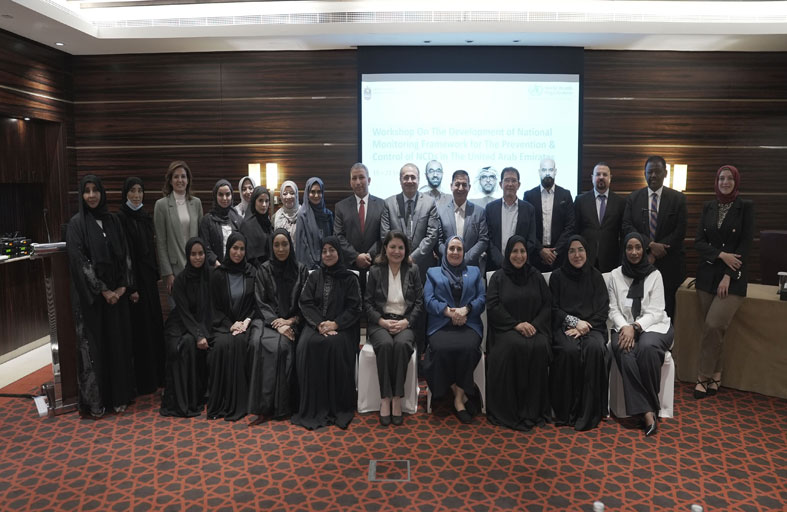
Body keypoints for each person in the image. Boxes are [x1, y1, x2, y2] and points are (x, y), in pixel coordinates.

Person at [67, 175, 136, 418]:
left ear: (102, 192)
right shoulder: (76, 224)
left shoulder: (113, 220)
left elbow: (125, 255)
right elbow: (80, 262)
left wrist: (122, 288)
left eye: (95, 190)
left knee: (117, 346)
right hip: (92, 300)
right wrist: (104, 290)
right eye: (86, 191)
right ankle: (96, 403)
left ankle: (119, 397)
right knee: (94, 351)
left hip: (117, 297)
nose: (91, 195)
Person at [693, 165, 754, 399]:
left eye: (729, 178)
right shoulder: (709, 206)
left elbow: (745, 245)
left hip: (733, 278)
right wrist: (721, 255)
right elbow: (699, 242)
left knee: (713, 325)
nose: (725, 182)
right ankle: (716, 375)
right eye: (721, 178)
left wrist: (728, 273)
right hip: (706, 277)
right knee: (714, 331)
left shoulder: (745, 207)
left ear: (736, 181)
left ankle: (702, 376)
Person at [607, 232, 674, 437]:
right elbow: (613, 310)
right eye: (629, 247)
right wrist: (625, 327)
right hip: (623, 326)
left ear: (644, 250)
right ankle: (647, 412)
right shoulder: (615, 275)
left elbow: (657, 311)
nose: (634, 252)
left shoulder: (655, 275)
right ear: (624, 250)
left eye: (638, 247)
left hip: (654, 326)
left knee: (647, 348)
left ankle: (646, 406)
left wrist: (635, 327)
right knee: (624, 350)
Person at [292, 236, 362, 430]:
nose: (328, 254)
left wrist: (336, 324)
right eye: (324, 251)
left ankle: (335, 405)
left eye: (332, 250)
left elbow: (355, 308)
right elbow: (305, 302)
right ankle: (311, 405)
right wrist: (320, 324)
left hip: (343, 327)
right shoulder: (315, 276)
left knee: (333, 345)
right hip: (316, 324)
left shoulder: (350, 278)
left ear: (339, 252)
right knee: (307, 344)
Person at [485, 235, 551, 431]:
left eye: (522, 251)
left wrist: (534, 325)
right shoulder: (498, 277)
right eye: (515, 251)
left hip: (534, 328)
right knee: (516, 345)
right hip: (506, 330)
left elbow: (547, 305)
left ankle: (534, 411)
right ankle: (512, 411)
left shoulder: (536, 276)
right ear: (508, 253)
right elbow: (493, 306)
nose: (519, 255)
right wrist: (516, 325)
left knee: (540, 346)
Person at [548, 235, 610, 431]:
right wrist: (575, 322)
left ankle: (589, 412)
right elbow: (553, 308)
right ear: (566, 254)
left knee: (594, 348)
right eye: (572, 251)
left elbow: (603, 309)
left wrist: (585, 326)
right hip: (565, 326)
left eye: (580, 250)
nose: (577, 255)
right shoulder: (557, 277)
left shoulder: (596, 276)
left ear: (587, 251)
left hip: (593, 327)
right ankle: (566, 412)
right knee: (569, 351)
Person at [248, 229, 309, 423]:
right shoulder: (264, 270)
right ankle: (262, 405)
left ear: (291, 245)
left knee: (282, 347)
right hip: (267, 321)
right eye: (276, 245)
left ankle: (280, 406)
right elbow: (260, 301)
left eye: (285, 244)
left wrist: (290, 321)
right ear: (271, 247)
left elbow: (306, 303)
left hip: (293, 321)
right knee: (257, 344)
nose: (281, 249)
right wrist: (277, 323)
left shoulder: (301, 270)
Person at [423, 236, 485, 424]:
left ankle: (458, 399)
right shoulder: (433, 272)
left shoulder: (474, 272)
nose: (455, 252)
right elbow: (428, 300)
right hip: (441, 324)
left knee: (468, 349)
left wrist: (466, 310)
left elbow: (482, 298)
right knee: (441, 350)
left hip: (469, 323)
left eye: (459, 249)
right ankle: (462, 396)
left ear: (464, 252)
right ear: (445, 251)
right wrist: (450, 313)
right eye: (451, 248)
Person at [364, 231, 423, 426]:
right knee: (385, 345)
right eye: (392, 247)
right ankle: (385, 398)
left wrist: (407, 322)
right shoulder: (375, 271)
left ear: (406, 250)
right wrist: (381, 321)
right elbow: (367, 303)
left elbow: (419, 302)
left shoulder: (413, 270)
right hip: (380, 322)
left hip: (405, 322)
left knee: (401, 346)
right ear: (385, 248)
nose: (396, 251)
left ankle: (397, 398)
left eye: (400, 247)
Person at [622, 155, 687, 320]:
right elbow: (627, 226)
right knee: (640, 308)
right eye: (649, 172)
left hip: (669, 264)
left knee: (667, 310)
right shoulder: (633, 198)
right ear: (644, 173)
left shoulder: (678, 199)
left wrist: (658, 251)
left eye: (657, 171)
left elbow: (680, 231)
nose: (653, 175)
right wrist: (650, 245)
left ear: (665, 173)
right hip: (640, 262)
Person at [117, 177, 165, 395]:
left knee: (154, 325)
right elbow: (125, 255)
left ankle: (158, 376)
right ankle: (144, 381)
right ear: (125, 193)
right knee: (140, 330)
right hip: (134, 283)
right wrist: (132, 287)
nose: (136, 195)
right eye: (132, 191)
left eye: (140, 191)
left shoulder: (145, 217)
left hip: (149, 281)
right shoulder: (121, 219)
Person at [206, 232, 257, 421]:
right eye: (235, 248)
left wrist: (245, 322)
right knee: (221, 346)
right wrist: (230, 325)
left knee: (240, 343)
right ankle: (222, 402)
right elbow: (214, 307)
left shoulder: (252, 272)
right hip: (222, 324)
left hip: (246, 324)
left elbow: (256, 304)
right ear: (228, 249)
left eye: (242, 249)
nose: (238, 252)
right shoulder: (218, 274)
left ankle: (241, 403)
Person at [160, 237, 210, 418]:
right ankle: (184, 401)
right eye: (193, 254)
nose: (198, 257)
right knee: (181, 346)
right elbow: (184, 312)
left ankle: (196, 396)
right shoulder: (180, 280)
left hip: (202, 321)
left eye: (201, 253)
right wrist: (199, 335)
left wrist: (202, 332)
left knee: (190, 343)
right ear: (188, 256)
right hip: (180, 322)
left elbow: (210, 308)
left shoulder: (210, 276)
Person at [153, 160, 203, 304]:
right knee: (178, 311)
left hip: (196, 267)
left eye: (183, 176)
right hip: (174, 271)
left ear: (188, 180)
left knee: (197, 310)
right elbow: (161, 242)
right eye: (176, 176)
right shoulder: (161, 205)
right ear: (170, 180)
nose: (180, 180)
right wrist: (167, 273)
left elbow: (201, 237)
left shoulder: (196, 203)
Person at [380, 163, 440, 282]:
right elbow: (385, 235)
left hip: (422, 265)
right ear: (400, 180)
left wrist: (413, 257)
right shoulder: (388, 203)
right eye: (406, 177)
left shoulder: (430, 203)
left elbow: (432, 235)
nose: (410, 181)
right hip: (395, 264)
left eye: (413, 177)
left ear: (419, 179)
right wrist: (400, 256)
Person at [333, 163, 385, 284]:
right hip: (349, 267)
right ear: (350, 182)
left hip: (375, 266)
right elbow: (338, 236)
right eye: (354, 178)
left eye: (361, 177)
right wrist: (356, 257)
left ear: (369, 180)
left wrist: (369, 255)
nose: (358, 182)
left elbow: (383, 235)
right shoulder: (341, 207)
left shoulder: (382, 205)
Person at [523, 158, 575, 272]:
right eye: (544, 170)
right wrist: (540, 250)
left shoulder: (565, 195)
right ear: (539, 172)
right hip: (535, 255)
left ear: (555, 172)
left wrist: (555, 252)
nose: (547, 173)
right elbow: (527, 227)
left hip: (559, 256)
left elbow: (570, 227)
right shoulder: (529, 196)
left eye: (550, 170)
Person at [574, 162, 625, 272]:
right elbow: (575, 231)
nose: (601, 177)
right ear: (592, 178)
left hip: (611, 260)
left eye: (605, 174)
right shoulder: (580, 201)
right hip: (585, 259)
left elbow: (623, 233)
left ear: (610, 178)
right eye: (598, 174)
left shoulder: (620, 202)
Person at [485, 167, 538, 272]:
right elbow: (488, 239)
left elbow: (531, 240)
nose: (510, 184)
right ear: (500, 184)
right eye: (507, 180)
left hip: (521, 266)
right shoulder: (490, 208)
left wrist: (518, 257)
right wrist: (501, 261)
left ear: (519, 185)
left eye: (513, 180)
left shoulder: (529, 209)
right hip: (495, 266)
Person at [436, 170, 489, 270]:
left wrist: (464, 258)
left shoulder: (479, 212)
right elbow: (438, 240)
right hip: (445, 267)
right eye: (457, 184)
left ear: (469, 187)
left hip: (470, 267)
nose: (460, 188)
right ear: (451, 186)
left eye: (464, 185)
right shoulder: (440, 211)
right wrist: (450, 257)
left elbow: (483, 240)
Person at [200, 179, 243, 267]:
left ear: (232, 195)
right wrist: (217, 265)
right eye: (220, 194)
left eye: (227, 194)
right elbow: (205, 247)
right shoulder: (207, 220)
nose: (224, 198)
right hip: (214, 269)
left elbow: (242, 246)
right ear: (215, 196)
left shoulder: (238, 219)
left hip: (235, 268)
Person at [296, 177, 334, 270]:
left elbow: (333, 241)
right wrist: (314, 266)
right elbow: (302, 245)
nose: (316, 195)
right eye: (312, 192)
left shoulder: (328, 214)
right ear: (307, 193)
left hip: (328, 264)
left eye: (319, 192)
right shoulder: (302, 215)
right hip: (310, 267)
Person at [240, 186, 273, 268]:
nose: (264, 204)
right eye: (260, 201)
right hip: (254, 270)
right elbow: (249, 255)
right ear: (254, 201)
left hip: (269, 268)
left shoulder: (267, 222)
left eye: (267, 201)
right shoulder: (247, 224)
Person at [273, 180, 299, 246]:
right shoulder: (276, 216)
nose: (288, 196)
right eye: (285, 194)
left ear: (296, 195)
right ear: (281, 196)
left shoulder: (304, 214)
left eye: (292, 193)